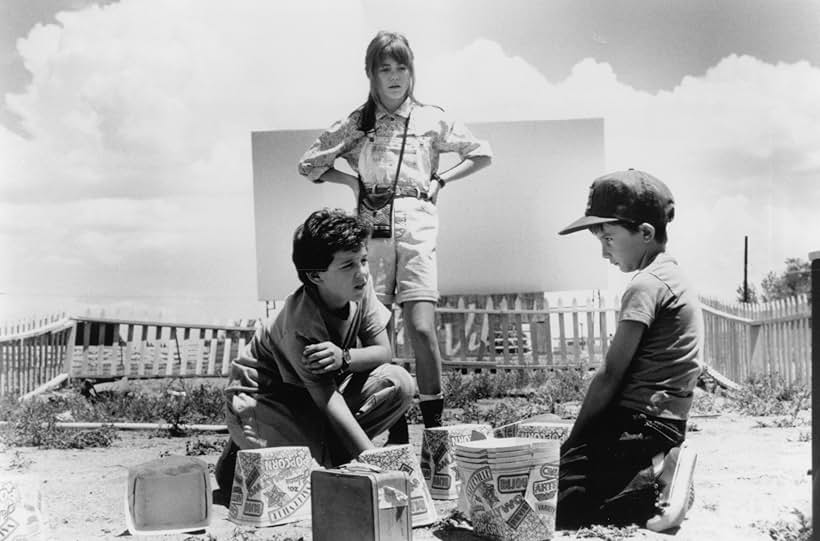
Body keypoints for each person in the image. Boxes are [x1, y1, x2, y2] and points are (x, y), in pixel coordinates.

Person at [297, 31, 492, 435]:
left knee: (421, 326)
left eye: (402, 66)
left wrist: (442, 180)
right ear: (370, 73)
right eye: (384, 68)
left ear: (412, 71)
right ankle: (396, 422)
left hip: (418, 222)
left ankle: (436, 433)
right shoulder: (357, 122)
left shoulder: (432, 117)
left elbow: (481, 152)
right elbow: (309, 163)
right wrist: (352, 183)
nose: (394, 76)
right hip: (372, 228)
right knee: (380, 328)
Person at [214, 208, 415, 493]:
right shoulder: (301, 325)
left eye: (364, 260)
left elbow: (383, 351)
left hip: (314, 398)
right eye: (347, 265)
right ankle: (240, 449)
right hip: (269, 398)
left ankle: (324, 450)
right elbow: (329, 400)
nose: (361, 272)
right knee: (305, 480)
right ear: (316, 276)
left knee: (399, 382)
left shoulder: (361, 286)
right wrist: (375, 466)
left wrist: (344, 358)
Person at [555, 169, 702, 532]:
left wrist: (574, 441)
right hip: (663, 423)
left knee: (556, 501)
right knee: (569, 478)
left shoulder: (645, 285)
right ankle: (652, 468)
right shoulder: (673, 276)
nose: (604, 252)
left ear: (646, 233)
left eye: (608, 238)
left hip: (642, 423)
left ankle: (655, 488)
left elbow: (611, 374)